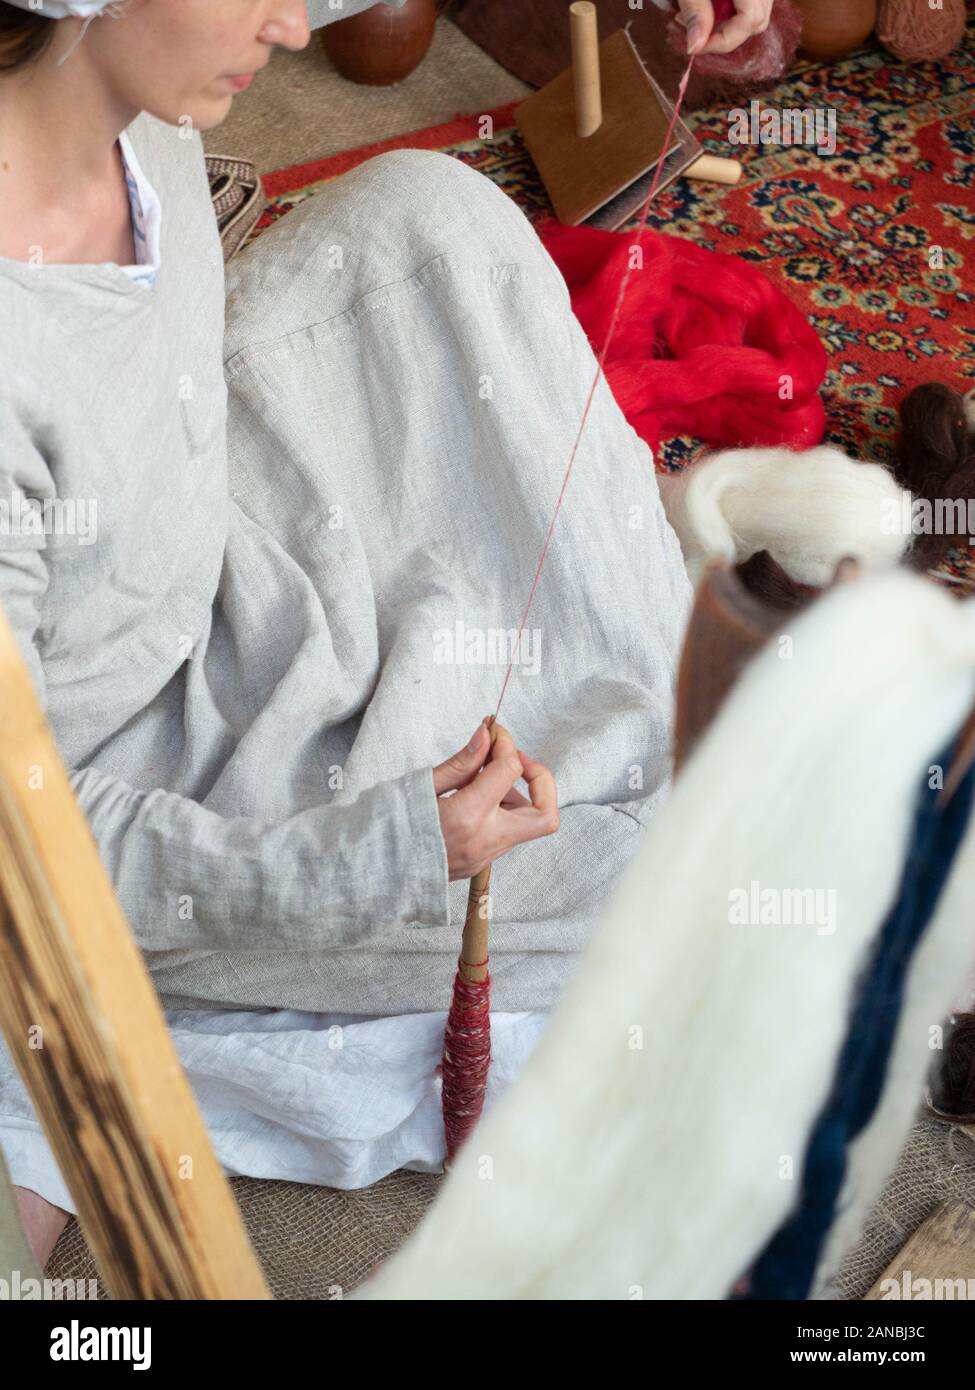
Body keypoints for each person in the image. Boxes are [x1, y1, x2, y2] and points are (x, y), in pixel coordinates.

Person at [0, 0, 766, 1267]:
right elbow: (33, 848)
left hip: (186, 511)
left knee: (431, 215)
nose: (290, 27)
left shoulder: (120, 71)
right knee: (641, 842)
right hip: (129, 770)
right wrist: (389, 854)